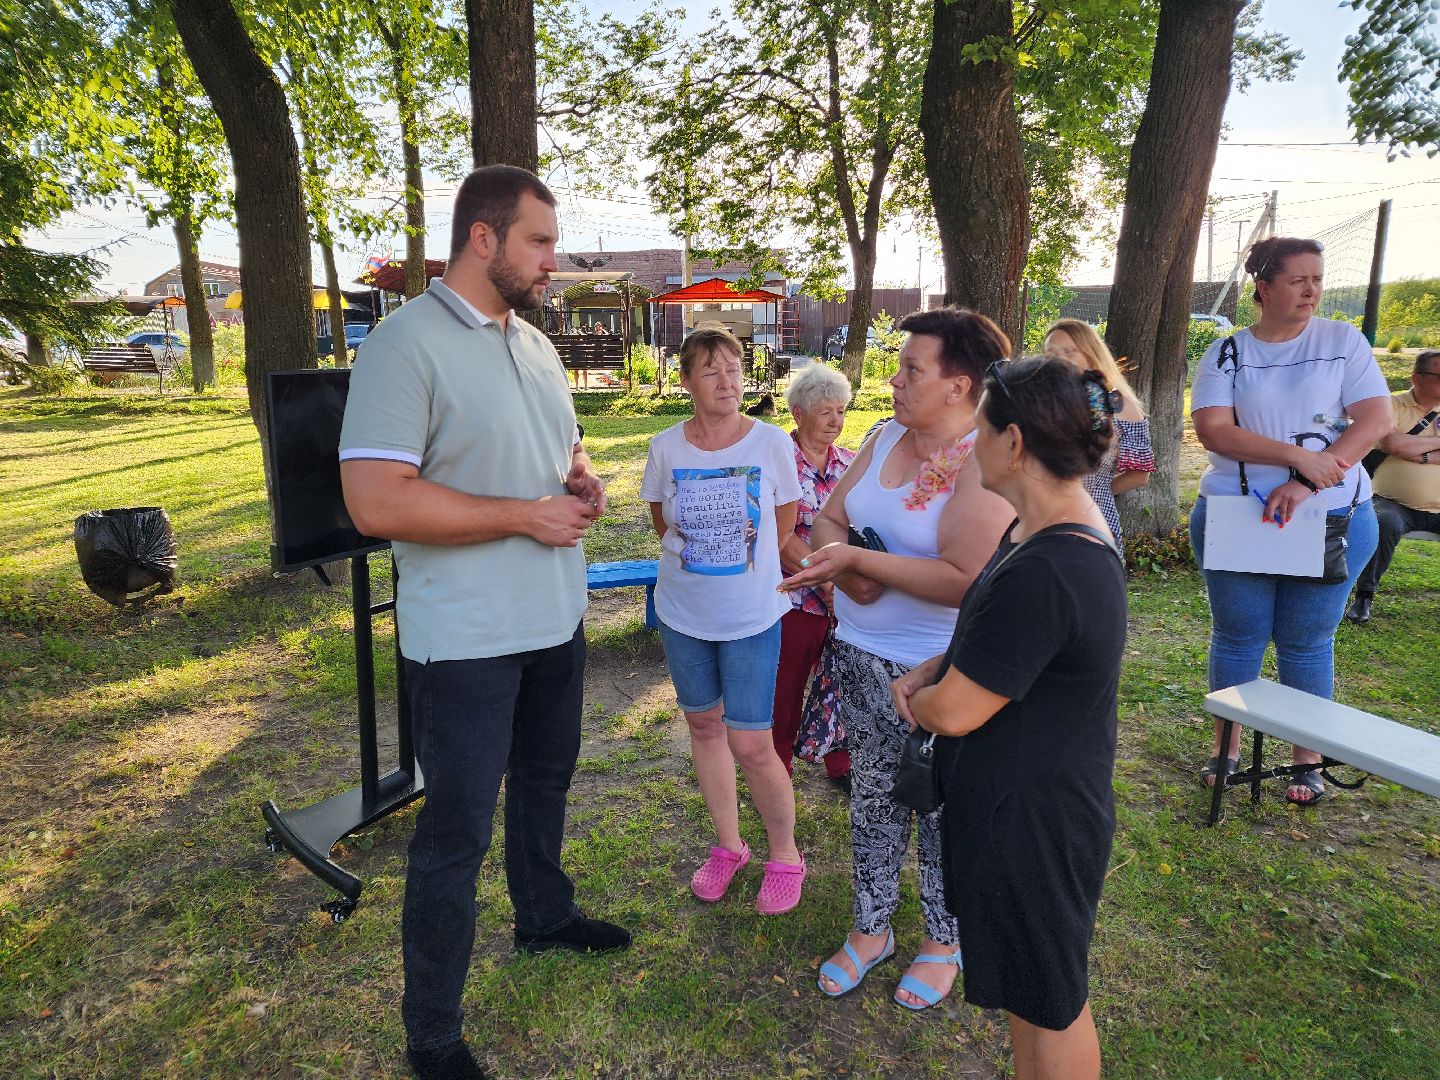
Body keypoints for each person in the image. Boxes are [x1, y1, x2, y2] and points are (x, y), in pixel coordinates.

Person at [338, 165, 630, 1080]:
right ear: (484, 238)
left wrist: (579, 480)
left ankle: (543, 918)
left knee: (545, 784)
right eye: (539, 242)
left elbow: (562, 446)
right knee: (455, 834)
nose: (553, 261)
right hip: (463, 641)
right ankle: (432, 1036)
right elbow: (374, 501)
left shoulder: (534, 342)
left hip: (555, 617)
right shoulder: (403, 344)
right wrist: (521, 514)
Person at [892, 356, 1126, 1080]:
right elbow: (1000, 641)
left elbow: (958, 713)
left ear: (1015, 443)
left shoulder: (1053, 563)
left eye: (981, 429)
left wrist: (921, 699)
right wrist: (944, 664)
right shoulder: (1037, 529)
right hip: (1019, 803)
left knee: (1052, 1000)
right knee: (1031, 992)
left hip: (1036, 817)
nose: (970, 444)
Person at [781, 307, 1013, 1009]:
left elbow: (965, 574)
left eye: (912, 368)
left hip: (941, 672)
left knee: (942, 806)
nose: (895, 378)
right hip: (859, 655)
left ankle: (945, 940)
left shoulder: (986, 458)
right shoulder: (884, 437)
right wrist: (854, 574)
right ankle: (871, 926)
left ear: (958, 385)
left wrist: (855, 557)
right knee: (875, 800)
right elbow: (827, 519)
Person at [1189, 235, 1391, 805]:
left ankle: (1307, 759)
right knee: (1238, 635)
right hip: (1237, 514)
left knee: (1306, 642)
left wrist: (1306, 482)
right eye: (1298, 279)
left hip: (1333, 517)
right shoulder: (1227, 352)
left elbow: (1374, 420)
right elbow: (1214, 430)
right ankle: (1226, 748)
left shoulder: (1342, 340)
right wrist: (1296, 455)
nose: (1312, 290)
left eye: (1318, 279)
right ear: (1263, 288)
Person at [641, 325, 809, 915]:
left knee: (753, 742)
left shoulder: (770, 445)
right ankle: (729, 846)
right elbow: (664, 524)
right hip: (683, 614)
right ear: (686, 381)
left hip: (751, 616)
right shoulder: (666, 447)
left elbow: (786, 521)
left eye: (734, 368)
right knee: (705, 730)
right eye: (710, 370)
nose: (727, 380)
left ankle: (785, 855)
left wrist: (751, 568)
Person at [771, 364, 855, 791]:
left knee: (840, 681)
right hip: (794, 599)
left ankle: (840, 762)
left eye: (840, 411)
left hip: (845, 597)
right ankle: (777, 768)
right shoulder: (777, 461)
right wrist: (825, 582)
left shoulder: (850, 462)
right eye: (825, 412)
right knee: (786, 689)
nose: (835, 421)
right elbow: (779, 536)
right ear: (798, 413)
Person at [1043, 318, 1156, 546]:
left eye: (1069, 351)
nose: (1059, 360)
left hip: (1093, 523)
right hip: (1039, 520)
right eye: (1051, 353)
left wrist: (1095, 491)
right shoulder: (1040, 403)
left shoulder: (1119, 404)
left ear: (1090, 353)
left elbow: (1139, 475)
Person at [1347, 349, 1440, 623]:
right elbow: (1392, 444)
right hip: (1393, 501)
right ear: (1417, 378)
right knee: (1383, 522)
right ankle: (1364, 596)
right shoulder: (1391, 406)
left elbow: (1403, 445)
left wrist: (1418, 453)